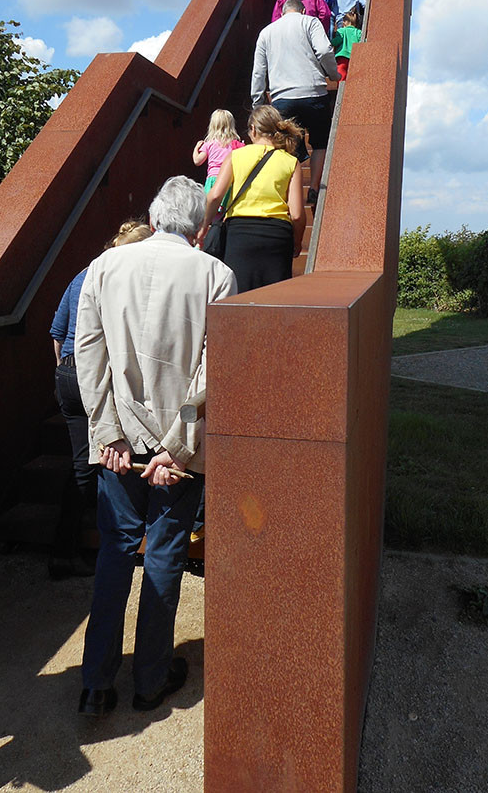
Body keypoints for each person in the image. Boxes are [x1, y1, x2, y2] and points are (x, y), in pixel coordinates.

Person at [75, 177, 236, 717]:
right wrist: (178, 448)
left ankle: (96, 682)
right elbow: (215, 371)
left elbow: (88, 358)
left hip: (119, 448)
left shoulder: (105, 266)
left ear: (153, 214)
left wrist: (108, 435)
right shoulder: (215, 273)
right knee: (164, 555)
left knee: (114, 557)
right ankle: (150, 680)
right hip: (178, 456)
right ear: (201, 224)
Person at [48, 219, 152, 580]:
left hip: (69, 372)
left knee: (81, 465)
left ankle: (64, 550)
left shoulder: (83, 273)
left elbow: (58, 332)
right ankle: (120, 540)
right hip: (100, 374)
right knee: (115, 453)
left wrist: (64, 375)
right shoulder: (126, 277)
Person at [196, 107, 306, 292]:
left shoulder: (236, 155)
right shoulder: (290, 161)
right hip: (277, 235)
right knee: (275, 297)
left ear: (253, 129)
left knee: (239, 295)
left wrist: (203, 226)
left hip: (240, 233)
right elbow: (296, 215)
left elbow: (215, 195)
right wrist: (296, 242)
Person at [250, 0, 340, 205]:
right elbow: (325, 50)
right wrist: (333, 74)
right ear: (302, 10)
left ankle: (292, 195)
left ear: (282, 13)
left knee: (285, 148)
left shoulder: (267, 32)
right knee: (319, 143)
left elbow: (258, 72)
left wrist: (257, 103)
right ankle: (315, 187)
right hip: (313, 92)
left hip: (282, 98)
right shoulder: (310, 22)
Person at [191, 110, 244, 199]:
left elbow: (197, 161)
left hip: (212, 180)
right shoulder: (235, 144)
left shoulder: (209, 144)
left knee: (210, 207)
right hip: (228, 180)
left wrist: (196, 148)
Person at [331, 6, 364, 81]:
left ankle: (341, 86)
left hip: (342, 55)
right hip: (354, 56)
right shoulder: (358, 32)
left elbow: (338, 40)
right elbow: (361, 42)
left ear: (345, 22)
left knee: (341, 71)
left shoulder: (341, 31)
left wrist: (331, 42)